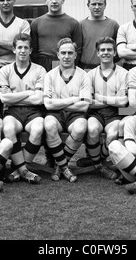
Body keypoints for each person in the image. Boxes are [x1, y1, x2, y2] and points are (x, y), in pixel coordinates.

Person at [0, 33, 44, 184]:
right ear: (14, 50)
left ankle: (19, 170)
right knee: (9, 128)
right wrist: (29, 92)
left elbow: (39, 99)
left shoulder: (39, 70)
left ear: (31, 50)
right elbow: (4, 98)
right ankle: (24, 171)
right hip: (12, 112)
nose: (22, 51)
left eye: (26, 47)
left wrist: (14, 96)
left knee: (38, 129)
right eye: (19, 47)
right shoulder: (5, 70)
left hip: (33, 112)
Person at [43, 38, 91, 183]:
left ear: (75, 55)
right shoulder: (50, 75)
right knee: (49, 125)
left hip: (76, 115)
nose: (66, 56)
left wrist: (58, 103)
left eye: (70, 53)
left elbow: (84, 106)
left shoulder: (84, 75)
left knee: (80, 128)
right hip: (55, 115)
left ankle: (59, 165)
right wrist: (73, 99)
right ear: (57, 55)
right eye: (63, 53)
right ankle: (65, 167)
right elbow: (47, 105)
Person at [83, 36, 128, 179]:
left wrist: (100, 97)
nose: (106, 52)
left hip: (115, 113)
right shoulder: (90, 74)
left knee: (113, 133)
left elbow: (123, 102)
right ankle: (99, 165)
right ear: (97, 53)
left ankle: (96, 160)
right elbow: (89, 102)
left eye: (109, 49)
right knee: (92, 129)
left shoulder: (124, 73)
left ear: (115, 52)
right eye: (102, 50)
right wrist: (113, 99)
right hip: (95, 112)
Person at [30, 0, 83, 72]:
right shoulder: (36, 23)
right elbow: (33, 51)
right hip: (42, 64)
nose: (54, 1)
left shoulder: (73, 23)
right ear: (45, 0)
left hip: (66, 62)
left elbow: (78, 50)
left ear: (63, 0)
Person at [79, 0, 119, 70]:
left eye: (100, 4)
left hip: (107, 69)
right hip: (86, 68)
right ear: (88, 5)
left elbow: (117, 51)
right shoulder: (80, 25)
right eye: (94, 4)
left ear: (105, 5)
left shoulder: (113, 25)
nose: (97, 7)